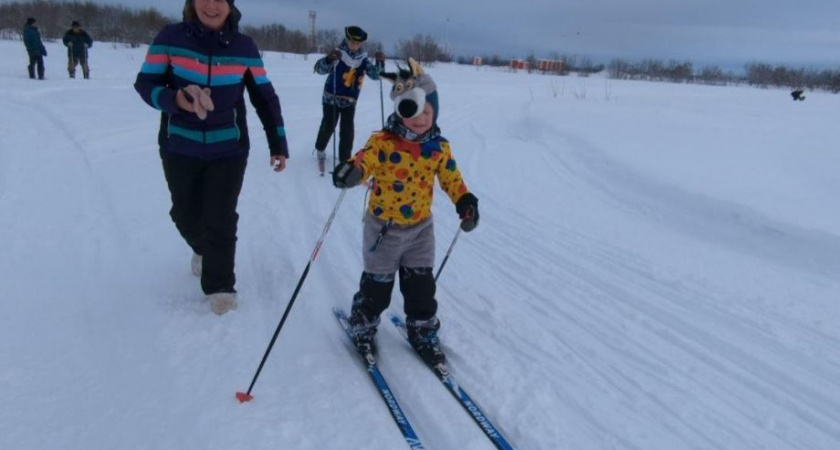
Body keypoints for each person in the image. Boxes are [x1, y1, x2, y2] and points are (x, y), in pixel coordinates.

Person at [134, 0, 289, 315]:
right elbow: (145, 83)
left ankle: (220, 287)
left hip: (228, 150)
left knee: (220, 217)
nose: (212, 5)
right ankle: (204, 250)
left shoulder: (244, 47)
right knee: (183, 212)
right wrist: (173, 98)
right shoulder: (170, 38)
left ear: (230, 6)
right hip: (179, 146)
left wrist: (278, 143)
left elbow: (265, 97)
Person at [332, 58, 480, 367]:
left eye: (429, 111)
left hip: (420, 230)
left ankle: (422, 329)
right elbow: (365, 160)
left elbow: (451, 177)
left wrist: (464, 200)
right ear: (401, 108)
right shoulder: (383, 142)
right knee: (378, 288)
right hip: (383, 228)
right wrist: (353, 171)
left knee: (421, 288)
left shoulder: (439, 147)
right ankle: (363, 321)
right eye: (415, 110)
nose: (422, 118)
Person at [313, 25, 385, 174]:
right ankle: (320, 148)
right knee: (328, 125)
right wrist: (328, 59)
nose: (354, 46)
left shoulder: (363, 59)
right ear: (347, 40)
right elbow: (319, 69)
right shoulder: (338, 54)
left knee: (347, 131)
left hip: (350, 101)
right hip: (331, 98)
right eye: (352, 42)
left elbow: (376, 76)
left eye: (358, 44)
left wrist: (380, 63)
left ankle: (345, 159)